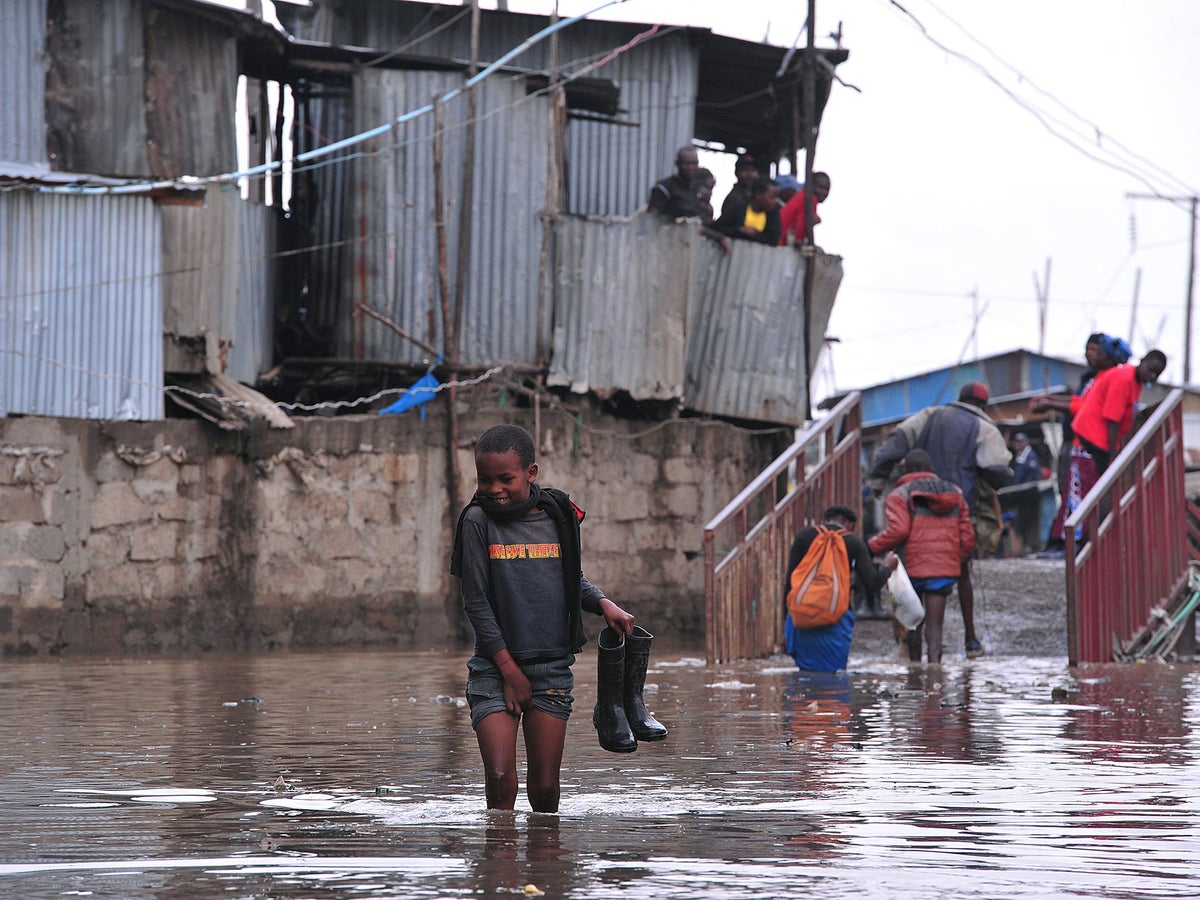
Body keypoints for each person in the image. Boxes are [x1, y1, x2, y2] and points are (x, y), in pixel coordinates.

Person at [450, 424, 636, 812]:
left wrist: (603, 603)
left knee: (546, 790)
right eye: (485, 480)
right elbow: (477, 604)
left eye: (506, 479)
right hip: (493, 670)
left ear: (531, 473)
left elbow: (570, 580)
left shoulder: (558, 515)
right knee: (501, 779)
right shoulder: (476, 523)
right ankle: (499, 865)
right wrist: (510, 672)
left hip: (551, 668)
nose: (494, 489)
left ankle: (543, 865)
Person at [867, 381, 1013, 658]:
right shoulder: (984, 428)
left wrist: (877, 478)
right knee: (964, 574)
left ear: (959, 397)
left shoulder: (928, 416)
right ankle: (970, 639)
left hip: (915, 511)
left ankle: (911, 661)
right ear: (982, 405)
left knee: (909, 585)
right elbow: (998, 472)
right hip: (956, 509)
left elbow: (894, 443)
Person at [868, 450, 975, 664]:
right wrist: (954, 559)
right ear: (930, 469)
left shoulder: (899, 495)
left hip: (911, 569)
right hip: (943, 570)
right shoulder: (954, 493)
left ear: (907, 469)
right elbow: (968, 536)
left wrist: (872, 546)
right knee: (936, 627)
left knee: (913, 624)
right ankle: (935, 674)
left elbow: (898, 531)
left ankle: (915, 675)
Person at [1029, 333, 1124, 553]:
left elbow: (1091, 408)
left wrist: (1050, 404)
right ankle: (1065, 539)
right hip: (1080, 443)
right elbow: (1081, 403)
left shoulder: (1110, 378)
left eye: (1097, 351)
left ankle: (1077, 542)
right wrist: (1050, 402)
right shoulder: (1093, 378)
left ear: (1110, 356)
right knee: (1072, 491)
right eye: (1090, 350)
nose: (1090, 355)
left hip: (1092, 445)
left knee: (1082, 493)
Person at [782, 505, 897, 672]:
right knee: (833, 677)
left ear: (824, 520)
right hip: (836, 619)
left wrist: (786, 630)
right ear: (848, 524)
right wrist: (887, 567)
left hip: (800, 618)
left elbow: (789, 585)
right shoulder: (854, 543)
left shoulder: (803, 537)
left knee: (805, 680)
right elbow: (872, 583)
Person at [714, 177, 781, 245]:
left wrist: (755, 235)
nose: (775, 202)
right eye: (772, 197)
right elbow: (717, 228)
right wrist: (740, 230)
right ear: (758, 195)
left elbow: (773, 239)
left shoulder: (773, 213)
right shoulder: (738, 207)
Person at [647, 146, 701, 219]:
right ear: (677, 163)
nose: (691, 167)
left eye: (694, 163)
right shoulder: (664, 188)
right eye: (687, 163)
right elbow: (651, 219)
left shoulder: (695, 189)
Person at [778, 171, 831, 246]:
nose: (824, 192)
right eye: (820, 187)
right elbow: (800, 227)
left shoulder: (803, 196)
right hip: (780, 242)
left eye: (827, 189)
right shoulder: (810, 199)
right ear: (810, 186)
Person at [719, 153, 759, 220]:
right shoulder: (734, 198)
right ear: (736, 173)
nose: (750, 174)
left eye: (753, 170)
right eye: (745, 170)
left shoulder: (755, 196)